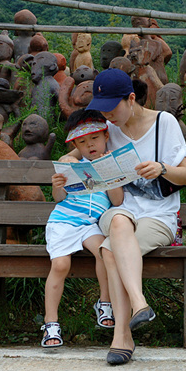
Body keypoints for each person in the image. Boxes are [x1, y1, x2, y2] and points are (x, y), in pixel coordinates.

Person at [63, 68, 186, 364]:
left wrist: (161, 168)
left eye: (112, 108)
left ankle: (122, 336)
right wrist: (70, 159)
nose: (107, 115)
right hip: (119, 209)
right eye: (102, 109)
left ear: (131, 99)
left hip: (160, 215)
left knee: (109, 251)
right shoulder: (109, 128)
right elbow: (79, 150)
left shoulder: (164, 123)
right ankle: (139, 303)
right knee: (119, 220)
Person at [42, 109, 124, 348]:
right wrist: (57, 184)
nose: (90, 145)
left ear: (106, 136)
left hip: (91, 225)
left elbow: (117, 201)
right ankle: (51, 323)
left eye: (95, 139)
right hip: (64, 222)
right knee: (60, 265)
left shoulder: (111, 163)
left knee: (104, 251)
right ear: (76, 145)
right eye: (83, 142)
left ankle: (104, 303)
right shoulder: (74, 165)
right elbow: (59, 198)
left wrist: (110, 175)